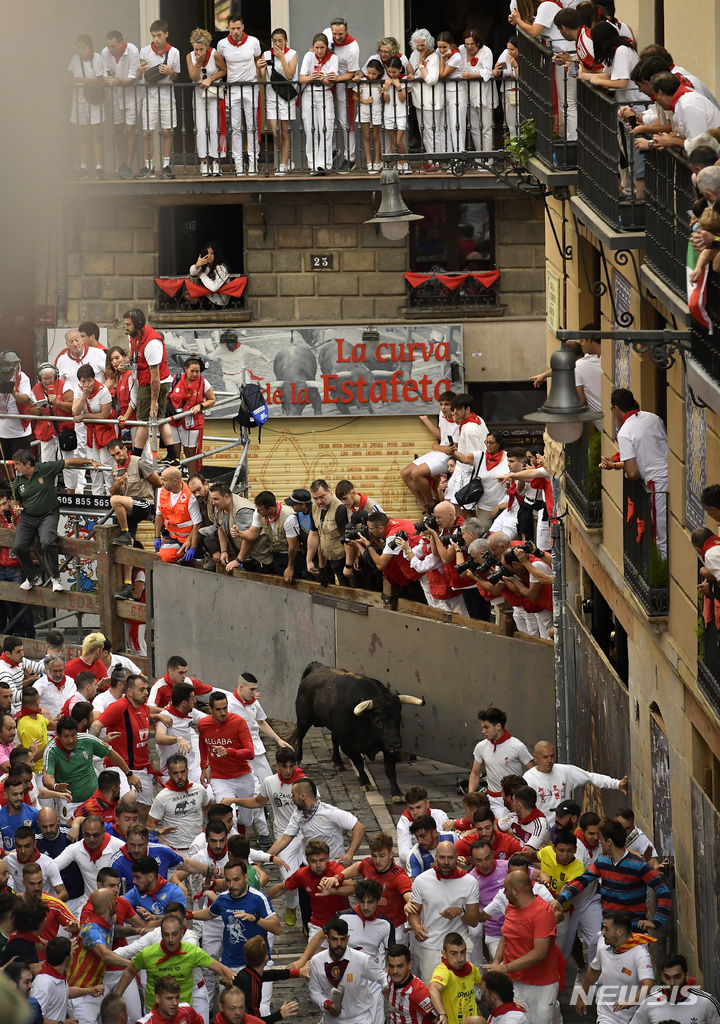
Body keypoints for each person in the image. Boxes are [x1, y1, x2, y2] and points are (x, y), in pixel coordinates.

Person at [554, 818, 673, 932]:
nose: (599, 842)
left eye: (601, 839)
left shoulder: (638, 866)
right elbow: (581, 881)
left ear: (609, 842)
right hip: (608, 933)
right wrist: (560, 900)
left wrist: (656, 921)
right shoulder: (602, 862)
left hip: (634, 935)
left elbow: (663, 891)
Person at [10, 449, 102, 592]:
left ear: (28, 464)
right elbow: (15, 501)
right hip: (27, 517)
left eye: (17, 464)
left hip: (48, 515)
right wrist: (16, 507)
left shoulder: (45, 468)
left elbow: (69, 462)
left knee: (47, 542)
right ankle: (33, 577)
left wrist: (90, 461)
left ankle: (55, 577)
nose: (15, 467)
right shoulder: (17, 481)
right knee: (18, 547)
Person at [116, 912, 234, 1008]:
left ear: (182, 934)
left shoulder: (192, 952)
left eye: (174, 934)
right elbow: (130, 971)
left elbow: (220, 968)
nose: (170, 940)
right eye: (166, 935)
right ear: (161, 934)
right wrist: (117, 997)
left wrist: (238, 983)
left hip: (182, 1010)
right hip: (154, 1011)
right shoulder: (147, 954)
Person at [488, 871, 562, 1024]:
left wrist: (506, 968)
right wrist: (496, 961)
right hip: (515, 982)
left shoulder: (543, 912)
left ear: (515, 890)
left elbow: (539, 953)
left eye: (506, 889)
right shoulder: (510, 908)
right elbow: (506, 935)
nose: (504, 893)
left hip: (542, 984)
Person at [186, 858, 281, 972]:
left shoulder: (259, 898)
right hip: (230, 964)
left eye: (236, 880)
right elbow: (210, 913)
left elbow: (277, 929)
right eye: (228, 880)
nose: (231, 885)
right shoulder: (223, 898)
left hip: (259, 963)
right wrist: (189, 915)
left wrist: (255, 919)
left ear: (246, 877)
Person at [407, 841, 480, 983]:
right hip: (430, 944)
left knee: (460, 993)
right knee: (431, 991)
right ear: (436, 857)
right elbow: (414, 911)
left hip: (459, 946)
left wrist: (461, 911)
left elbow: (473, 920)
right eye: (442, 857)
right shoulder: (421, 881)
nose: (446, 862)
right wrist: (416, 926)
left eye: (450, 858)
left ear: (457, 857)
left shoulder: (470, 882)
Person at [43, 716, 137, 821]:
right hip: (70, 804)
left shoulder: (87, 740)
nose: (71, 740)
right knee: (72, 834)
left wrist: (129, 774)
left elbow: (111, 753)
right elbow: (47, 777)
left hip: (95, 801)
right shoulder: (51, 750)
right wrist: (55, 786)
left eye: (73, 735)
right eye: (66, 736)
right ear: (58, 735)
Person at [91, 674, 159, 811]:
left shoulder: (144, 708)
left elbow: (144, 717)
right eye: (142, 690)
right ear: (129, 692)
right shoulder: (118, 707)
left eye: (147, 689)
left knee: (145, 808)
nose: (146, 693)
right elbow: (96, 725)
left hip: (143, 767)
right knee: (129, 799)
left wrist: (160, 715)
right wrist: (91, 747)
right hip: (119, 767)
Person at [523, 740, 628, 826]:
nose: (550, 760)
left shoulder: (564, 771)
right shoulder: (529, 779)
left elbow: (590, 777)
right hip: (542, 831)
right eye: (545, 757)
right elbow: (524, 808)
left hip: (566, 828)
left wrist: (617, 784)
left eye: (552, 756)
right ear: (535, 757)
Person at [575, 910, 655, 1022]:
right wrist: (582, 995)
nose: (602, 932)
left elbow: (648, 984)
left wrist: (630, 1003)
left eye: (606, 929)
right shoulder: (603, 945)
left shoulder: (640, 954)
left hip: (633, 1017)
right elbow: (594, 970)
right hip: (607, 1015)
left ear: (619, 932)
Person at [266, 777, 365, 867]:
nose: (292, 799)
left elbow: (359, 827)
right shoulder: (298, 814)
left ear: (303, 796)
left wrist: (350, 854)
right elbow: (285, 838)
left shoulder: (330, 812)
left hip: (332, 867)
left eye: (293, 795)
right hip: (309, 867)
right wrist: (263, 858)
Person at [308, 915, 386, 1024]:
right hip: (331, 1020)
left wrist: (386, 987)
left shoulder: (361, 959)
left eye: (342, 939)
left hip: (360, 1019)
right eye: (334, 939)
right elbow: (314, 991)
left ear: (348, 938)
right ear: (327, 939)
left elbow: (382, 977)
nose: (339, 944)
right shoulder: (317, 961)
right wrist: (326, 1004)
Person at [266, 838, 349, 940]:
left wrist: (332, 891)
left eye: (321, 860)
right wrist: (261, 899)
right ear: (307, 860)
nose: (318, 865)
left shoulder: (337, 870)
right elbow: (282, 888)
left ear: (328, 858)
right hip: (318, 923)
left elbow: (352, 888)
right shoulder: (301, 874)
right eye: (313, 861)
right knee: (313, 955)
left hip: (342, 919)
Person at [122, 309, 176, 458]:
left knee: (143, 420)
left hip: (155, 382)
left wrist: (153, 401)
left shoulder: (152, 343)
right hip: (146, 380)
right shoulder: (133, 336)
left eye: (128, 324)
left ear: (138, 324)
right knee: (160, 419)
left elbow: (155, 377)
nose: (125, 327)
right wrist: (125, 362)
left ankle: (136, 456)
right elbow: (132, 353)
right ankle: (173, 456)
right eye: (125, 324)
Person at [198, 691, 256, 828]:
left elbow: (250, 753)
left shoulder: (238, 722)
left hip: (243, 776)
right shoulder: (203, 724)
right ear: (210, 709)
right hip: (220, 778)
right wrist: (203, 767)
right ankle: (233, 847)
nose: (223, 712)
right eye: (218, 709)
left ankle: (244, 822)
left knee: (247, 821)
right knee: (227, 820)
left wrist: (229, 752)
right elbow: (202, 743)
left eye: (225, 708)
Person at [217, 14, 262, 177]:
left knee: (252, 127)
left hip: (250, 87)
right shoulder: (222, 44)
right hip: (233, 89)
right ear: (228, 28)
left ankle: (253, 162)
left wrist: (260, 73)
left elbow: (258, 60)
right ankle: (238, 164)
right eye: (232, 28)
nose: (236, 31)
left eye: (238, 28)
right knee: (235, 128)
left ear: (243, 27)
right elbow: (220, 64)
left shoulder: (253, 42)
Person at [136, 19, 181, 179]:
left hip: (167, 94)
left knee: (167, 130)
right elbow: (138, 75)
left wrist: (170, 72)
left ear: (166, 34)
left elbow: (176, 76)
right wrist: (140, 71)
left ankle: (166, 165)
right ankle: (148, 166)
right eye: (154, 36)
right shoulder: (145, 51)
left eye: (159, 35)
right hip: (149, 95)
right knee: (147, 132)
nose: (156, 39)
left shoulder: (174, 52)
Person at [468, 708, 534, 816]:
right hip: (493, 801)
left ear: (498, 726)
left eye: (486, 727)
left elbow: (533, 772)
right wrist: (470, 796)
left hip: (515, 801)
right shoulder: (480, 747)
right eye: (482, 728)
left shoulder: (518, 746)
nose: (483, 731)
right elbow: (475, 773)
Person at [147, 753, 212, 852]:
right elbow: (150, 824)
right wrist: (162, 843)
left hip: (200, 847)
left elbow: (210, 809)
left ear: (187, 771)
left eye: (182, 772)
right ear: (169, 773)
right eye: (175, 773)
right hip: (176, 850)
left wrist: (208, 830)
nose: (180, 776)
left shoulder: (199, 790)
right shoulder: (162, 797)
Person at [107, 438, 162, 552]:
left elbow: (158, 483)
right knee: (127, 547)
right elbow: (113, 492)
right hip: (129, 507)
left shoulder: (139, 462)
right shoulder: (115, 468)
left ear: (125, 449)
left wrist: (157, 509)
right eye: (113, 455)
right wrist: (118, 484)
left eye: (118, 453)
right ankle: (127, 536)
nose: (117, 458)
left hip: (144, 504)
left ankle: (125, 532)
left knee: (114, 500)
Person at [632, 953, 720, 1024]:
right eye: (667, 977)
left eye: (677, 977)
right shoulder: (649, 1002)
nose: (672, 983)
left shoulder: (706, 1002)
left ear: (686, 975)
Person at [257, 28, 298, 176]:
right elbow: (261, 76)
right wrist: (259, 68)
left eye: (280, 40)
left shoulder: (292, 54)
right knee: (275, 133)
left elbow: (289, 75)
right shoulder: (267, 54)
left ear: (285, 41)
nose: (278, 43)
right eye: (275, 41)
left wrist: (281, 58)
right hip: (271, 98)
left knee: (285, 132)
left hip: (286, 98)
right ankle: (286, 157)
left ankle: (284, 163)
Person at [233, 935, 302, 1021]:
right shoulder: (252, 987)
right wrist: (280, 1014)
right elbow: (255, 1022)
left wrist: (298, 972)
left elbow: (270, 975)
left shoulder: (247, 974)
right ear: (266, 958)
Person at [167, 357, 216, 476]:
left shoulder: (203, 382)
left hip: (192, 422)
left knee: (190, 453)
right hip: (174, 421)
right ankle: (175, 479)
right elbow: (165, 396)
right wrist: (169, 411)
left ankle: (193, 479)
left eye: (197, 371)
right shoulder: (175, 379)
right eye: (192, 371)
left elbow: (212, 400)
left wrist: (200, 406)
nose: (195, 374)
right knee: (175, 452)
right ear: (186, 369)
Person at [187, 32, 227, 178]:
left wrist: (210, 78)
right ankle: (203, 162)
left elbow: (224, 70)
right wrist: (198, 63)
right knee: (201, 128)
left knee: (214, 126)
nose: (198, 52)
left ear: (207, 47)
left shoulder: (215, 55)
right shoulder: (189, 56)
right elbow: (193, 76)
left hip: (214, 94)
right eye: (196, 49)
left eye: (201, 49)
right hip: (198, 94)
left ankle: (215, 161)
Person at [236, 492, 300, 582]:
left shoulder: (289, 518)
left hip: (291, 555)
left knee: (293, 579)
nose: (257, 511)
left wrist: (290, 567)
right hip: (275, 553)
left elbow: (293, 547)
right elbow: (253, 533)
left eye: (260, 510)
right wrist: (239, 534)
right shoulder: (258, 514)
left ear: (271, 509)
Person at [323, 18, 360, 171]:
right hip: (327, 84)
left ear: (346, 31)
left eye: (340, 34)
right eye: (334, 33)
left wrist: (337, 78)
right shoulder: (326, 34)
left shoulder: (353, 48)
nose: (337, 37)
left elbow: (352, 73)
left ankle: (349, 158)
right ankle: (330, 151)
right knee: (327, 118)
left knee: (346, 122)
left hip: (344, 86)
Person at [102, 31, 140, 180]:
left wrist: (117, 82)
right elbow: (105, 74)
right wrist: (108, 81)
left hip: (131, 95)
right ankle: (122, 163)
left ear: (121, 42)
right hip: (115, 96)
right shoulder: (105, 52)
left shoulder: (133, 51)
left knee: (130, 129)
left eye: (113, 46)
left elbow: (132, 78)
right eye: (108, 46)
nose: (110, 49)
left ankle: (129, 166)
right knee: (118, 129)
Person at [299, 35, 338, 176]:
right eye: (317, 47)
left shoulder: (333, 58)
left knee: (325, 129)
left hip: (325, 93)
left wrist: (323, 78)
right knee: (310, 130)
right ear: (313, 47)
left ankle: (324, 164)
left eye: (322, 47)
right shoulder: (309, 56)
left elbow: (331, 81)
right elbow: (301, 78)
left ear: (327, 46)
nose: (319, 51)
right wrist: (312, 77)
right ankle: (313, 164)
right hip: (309, 93)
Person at [67, 35, 105, 179]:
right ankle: (83, 166)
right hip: (79, 101)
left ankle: (99, 167)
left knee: (96, 134)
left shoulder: (98, 58)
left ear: (90, 47)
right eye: (79, 48)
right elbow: (68, 77)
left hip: (95, 100)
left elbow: (100, 79)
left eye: (84, 47)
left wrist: (83, 80)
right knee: (82, 135)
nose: (81, 51)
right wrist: (80, 80)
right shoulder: (74, 60)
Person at [152, 682, 204, 783]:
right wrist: (177, 739)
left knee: (208, 795)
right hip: (171, 772)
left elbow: (207, 719)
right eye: (192, 698)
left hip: (192, 768)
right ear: (184, 703)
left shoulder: (191, 711)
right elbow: (159, 738)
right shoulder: (165, 716)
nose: (195, 701)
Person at [444, 394, 488, 509]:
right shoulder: (479, 420)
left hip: (468, 475)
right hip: (464, 472)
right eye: (454, 409)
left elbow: (473, 457)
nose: (456, 412)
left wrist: (453, 452)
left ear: (467, 409)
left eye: (459, 409)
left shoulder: (469, 428)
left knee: (462, 511)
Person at [428, 932, 483, 1024]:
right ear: (444, 954)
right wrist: (442, 1014)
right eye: (454, 953)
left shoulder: (471, 968)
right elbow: (433, 989)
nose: (460, 958)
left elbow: (483, 985)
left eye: (462, 952)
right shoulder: (443, 971)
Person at [407, 30, 442, 167]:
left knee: (433, 131)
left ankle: (436, 161)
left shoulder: (434, 57)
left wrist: (421, 65)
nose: (420, 48)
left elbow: (431, 79)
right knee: (424, 131)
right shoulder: (414, 54)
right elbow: (414, 74)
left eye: (423, 45)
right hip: (418, 98)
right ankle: (430, 160)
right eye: (418, 45)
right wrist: (411, 73)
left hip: (431, 99)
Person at [155, 465, 202, 564]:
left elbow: (197, 524)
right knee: (164, 556)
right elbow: (159, 515)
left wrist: (192, 546)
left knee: (169, 557)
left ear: (175, 481)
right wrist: (157, 537)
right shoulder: (162, 491)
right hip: (172, 535)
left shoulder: (190, 497)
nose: (161, 482)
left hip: (188, 537)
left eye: (164, 480)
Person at [460, 28, 496, 153]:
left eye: (471, 44)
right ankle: (480, 156)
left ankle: (489, 158)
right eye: (467, 44)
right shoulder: (461, 50)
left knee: (486, 128)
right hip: (468, 93)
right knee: (474, 127)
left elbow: (487, 72)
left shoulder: (486, 52)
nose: (469, 47)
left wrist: (470, 76)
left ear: (478, 43)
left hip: (484, 93)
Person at [386, 942, 435, 1024]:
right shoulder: (388, 978)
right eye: (391, 966)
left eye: (400, 966)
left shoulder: (418, 992)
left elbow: (437, 1020)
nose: (395, 971)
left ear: (409, 965)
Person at [397, 786, 448, 865]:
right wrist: (427, 859)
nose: (415, 812)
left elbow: (450, 841)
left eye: (418, 807)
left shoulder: (440, 816)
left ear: (427, 804)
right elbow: (403, 854)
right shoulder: (404, 822)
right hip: (414, 867)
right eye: (411, 808)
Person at [354, 59, 384, 174]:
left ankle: (377, 161)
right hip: (364, 110)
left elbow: (383, 99)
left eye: (374, 73)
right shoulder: (362, 81)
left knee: (376, 136)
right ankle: (368, 162)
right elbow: (354, 97)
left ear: (379, 73)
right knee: (366, 136)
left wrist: (383, 93)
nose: (371, 76)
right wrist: (364, 100)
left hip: (376, 110)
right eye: (369, 73)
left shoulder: (380, 83)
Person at [138, 976, 204, 1024]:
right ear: (158, 998)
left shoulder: (187, 1011)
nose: (175, 1003)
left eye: (177, 997)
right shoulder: (147, 1022)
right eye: (169, 998)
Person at [382, 58, 409, 172]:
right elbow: (386, 100)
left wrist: (398, 86)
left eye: (394, 72)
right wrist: (386, 88)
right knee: (393, 142)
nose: (392, 74)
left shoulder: (404, 80)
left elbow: (403, 99)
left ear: (400, 70)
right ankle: (398, 163)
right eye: (389, 72)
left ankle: (405, 162)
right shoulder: (386, 81)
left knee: (399, 141)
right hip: (388, 113)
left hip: (401, 113)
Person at [34, 654, 77, 725]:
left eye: (61, 670)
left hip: (69, 727)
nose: (58, 674)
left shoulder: (70, 682)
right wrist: (39, 707)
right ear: (47, 670)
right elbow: (28, 702)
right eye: (55, 671)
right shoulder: (40, 684)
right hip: (48, 729)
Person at [493, 39, 519, 138]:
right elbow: (496, 73)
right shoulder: (505, 54)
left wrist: (515, 65)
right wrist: (497, 70)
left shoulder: (524, 55)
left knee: (522, 124)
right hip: (508, 92)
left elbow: (519, 77)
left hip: (522, 93)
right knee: (512, 126)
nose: (509, 52)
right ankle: (515, 150)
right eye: (508, 49)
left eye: (512, 49)